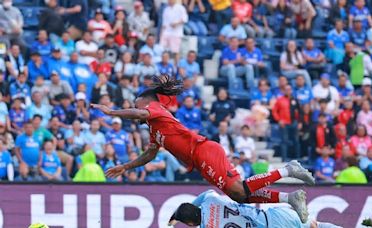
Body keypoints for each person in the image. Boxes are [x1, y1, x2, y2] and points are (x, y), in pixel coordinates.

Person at [92, 75, 314, 216]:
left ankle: (288, 169)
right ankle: (289, 198)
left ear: (147, 102)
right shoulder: (154, 129)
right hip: (200, 159)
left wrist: (112, 112)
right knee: (238, 196)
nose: (135, 107)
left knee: (238, 189)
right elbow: (150, 153)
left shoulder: (156, 110)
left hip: (203, 151)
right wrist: (126, 167)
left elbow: (140, 112)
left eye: (136, 103)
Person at [168, 190, 341, 227]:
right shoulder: (210, 200)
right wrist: (176, 215)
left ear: (191, 224)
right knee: (315, 226)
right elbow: (205, 194)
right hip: (276, 214)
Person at [272, 85, 301, 161]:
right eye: (286, 90)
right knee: (284, 141)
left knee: (296, 141)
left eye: (289, 89)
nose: (288, 91)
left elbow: (299, 111)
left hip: (294, 122)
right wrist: (279, 120)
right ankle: (284, 158)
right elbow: (274, 111)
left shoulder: (295, 100)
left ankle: (297, 158)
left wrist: (299, 122)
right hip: (284, 123)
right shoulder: (279, 100)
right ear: (283, 91)